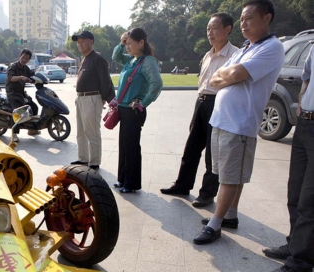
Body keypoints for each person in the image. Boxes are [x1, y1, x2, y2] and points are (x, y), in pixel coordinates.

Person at [193, 0, 284, 245]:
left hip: (240, 123)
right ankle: (230, 214)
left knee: (230, 177)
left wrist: (226, 76)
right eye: (242, 19)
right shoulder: (246, 48)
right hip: (222, 119)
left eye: (249, 18)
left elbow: (232, 74)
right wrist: (226, 76)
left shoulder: (272, 47)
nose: (244, 23)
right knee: (224, 172)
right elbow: (218, 77)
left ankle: (215, 224)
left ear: (266, 18)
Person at [161, 13, 239, 207]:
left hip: (219, 104)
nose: (210, 33)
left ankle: (207, 193)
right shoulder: (208, 54)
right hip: (201, 102)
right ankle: (182, 184)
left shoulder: (235, 55)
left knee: (213, 153)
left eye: (214, 28)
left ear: (227, 29)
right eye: (208, 29)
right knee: (192, 147)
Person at [264, 45, 314, 272]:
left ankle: (300, 263)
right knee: (295, 192)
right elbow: (306, 76)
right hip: (305, 122)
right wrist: (303, 102)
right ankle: (295, 244)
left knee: (309, 201)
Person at [111, 28, 163, 193]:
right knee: (124, 146)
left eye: (130, 44)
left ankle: (131, 183)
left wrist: (144, 102)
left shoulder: (147, 61)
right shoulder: (131, 60)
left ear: (141, 42)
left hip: (134, 111)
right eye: (126, 44)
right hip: (124, 110)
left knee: (132, 147)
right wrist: (121, 42)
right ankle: (123, 179)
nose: (127, 47)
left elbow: (157, 84)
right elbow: (115, 57)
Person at [71, 30, 115, 171]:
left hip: (92, 98)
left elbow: (106, 81)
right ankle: (83, 158)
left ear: (91, 41)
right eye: (78, 42)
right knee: (81, 132)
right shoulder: (84, 59)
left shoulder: (97, 59)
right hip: (81, 98)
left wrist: (105, 99)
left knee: (92, 132)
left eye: (82, 41)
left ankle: (94, 162)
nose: (80, 44)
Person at [6, 48, 40, 141]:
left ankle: (31, 129)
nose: (24, 60)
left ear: (29, 60)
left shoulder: (26, 68)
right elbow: (11, 78)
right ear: (19, 56)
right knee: (18, 111)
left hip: (21, 93)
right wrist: (21, 77)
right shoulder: (13, 66)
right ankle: (14, 134)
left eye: (27, 59)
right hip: (12, 93)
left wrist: (37, 79)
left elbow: (31, 75)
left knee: (34, 107)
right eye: (23, 57)